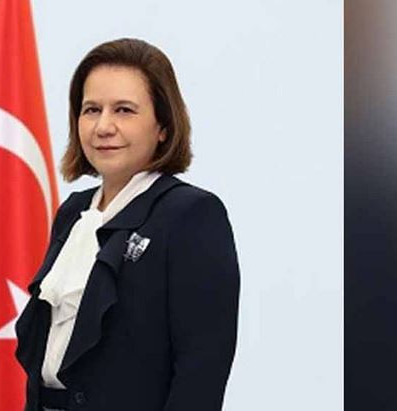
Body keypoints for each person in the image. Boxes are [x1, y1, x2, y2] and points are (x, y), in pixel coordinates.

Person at [15, 38, 240, 411]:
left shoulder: (192, 215)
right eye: (91, 110)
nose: (104, 126)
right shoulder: (73, 212)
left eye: (124, 110)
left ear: (163, 125)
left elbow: (201, 372)